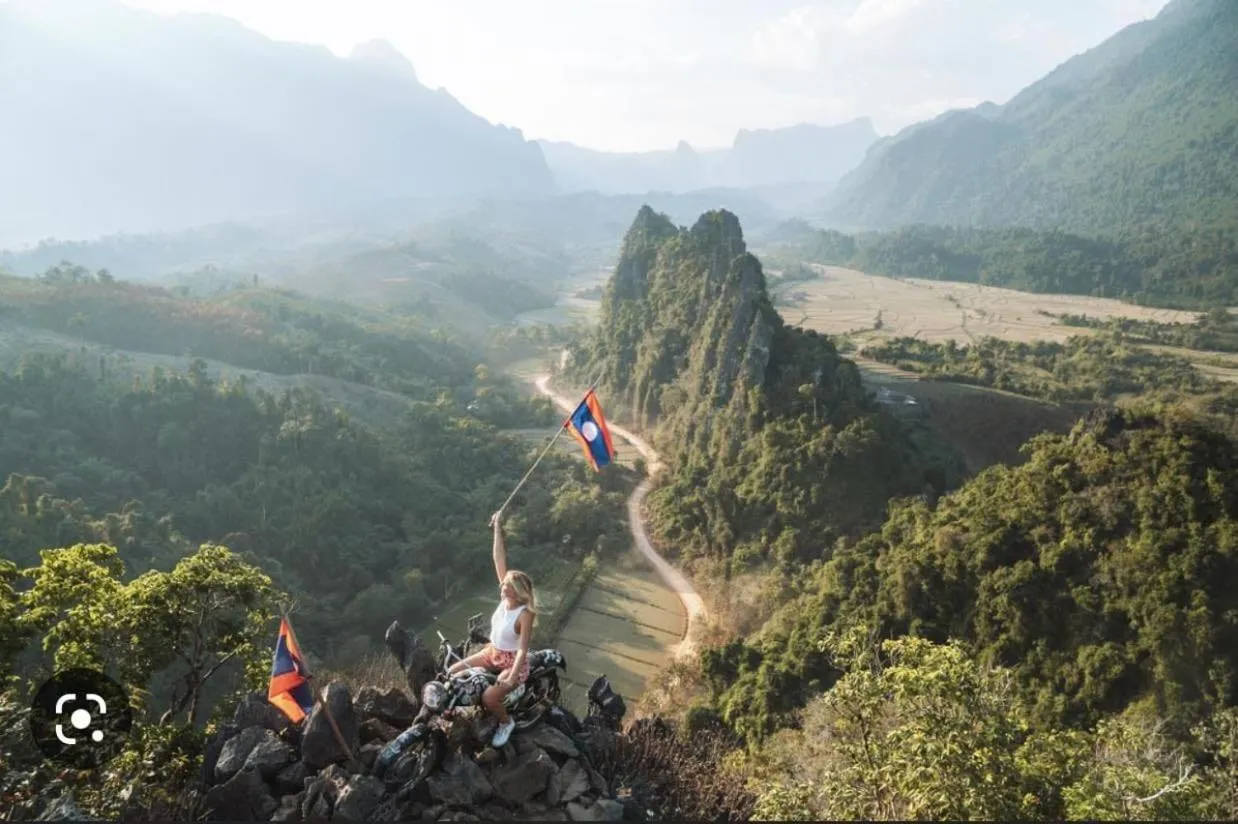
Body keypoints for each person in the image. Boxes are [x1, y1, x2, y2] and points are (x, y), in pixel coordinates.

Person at [446, 509, 537, 747]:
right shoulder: (505, 600)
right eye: (503, 583)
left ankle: (506, 722)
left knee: (489, 697)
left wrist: (513, 676)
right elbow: (498, 558)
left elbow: (522, 650)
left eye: (506, 585)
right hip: (492, 652)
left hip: (511, 662)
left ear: (517, 591)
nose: (502, 586)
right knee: (452, 672)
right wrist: (497, 526)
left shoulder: (525, 614)